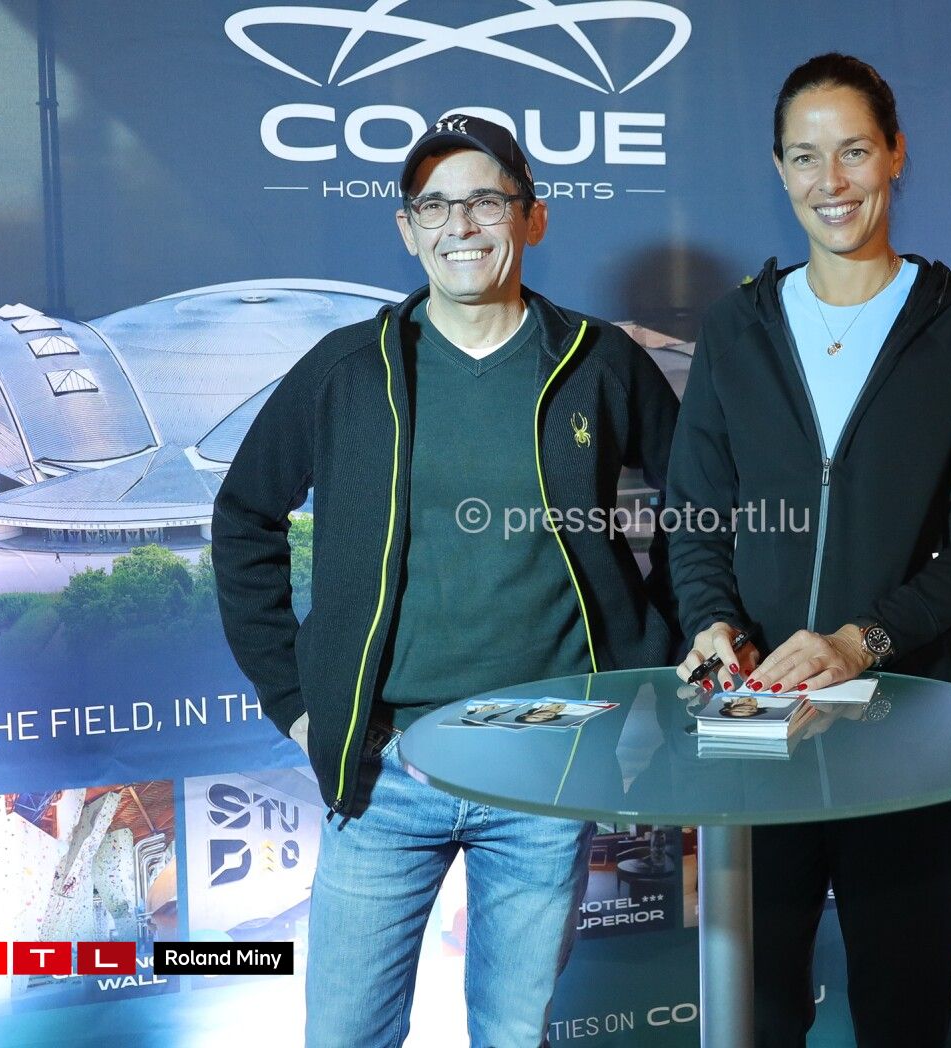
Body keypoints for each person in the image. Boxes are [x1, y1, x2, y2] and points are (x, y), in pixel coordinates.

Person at [212, 115, 679, 1048]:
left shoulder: (598, 361)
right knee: (345, 1035)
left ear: (532, 217)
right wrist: (298, 703)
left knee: (511, 1033)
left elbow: (700, 504)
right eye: (434, 205)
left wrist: (655, 648)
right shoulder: (350, 370)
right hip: (386, 767)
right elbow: (244, 517)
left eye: (485, 202)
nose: (460, 224)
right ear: (407, 228)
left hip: (547, 763)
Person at [668, 53, 951, 1047]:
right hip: (759, 725)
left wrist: (862, 639)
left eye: (855, 151)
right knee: (756, 1011)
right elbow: (697, 511)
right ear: (779, 170)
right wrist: (712, 620)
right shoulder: (738, 326)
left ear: (896, 155)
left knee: (902, 1010)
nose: (830, 181)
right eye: (805, 156)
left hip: (905, 727)